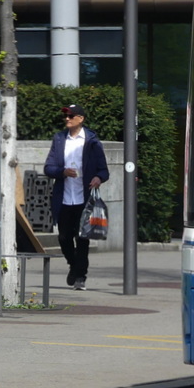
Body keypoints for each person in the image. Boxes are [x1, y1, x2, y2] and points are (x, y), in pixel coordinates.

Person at [43, 103, 110, 290]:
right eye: (65, 116)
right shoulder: (59, 139)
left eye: (71, 116)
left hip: (84, 198)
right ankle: (73, 264)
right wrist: (63, 172)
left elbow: (104, 170)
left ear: (81, 119)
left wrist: (98, 178)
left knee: (82, 238)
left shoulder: (92, 142)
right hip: (64, 198)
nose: (67, 119)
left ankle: (80, 276)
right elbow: (48, 168)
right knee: (64, 237)